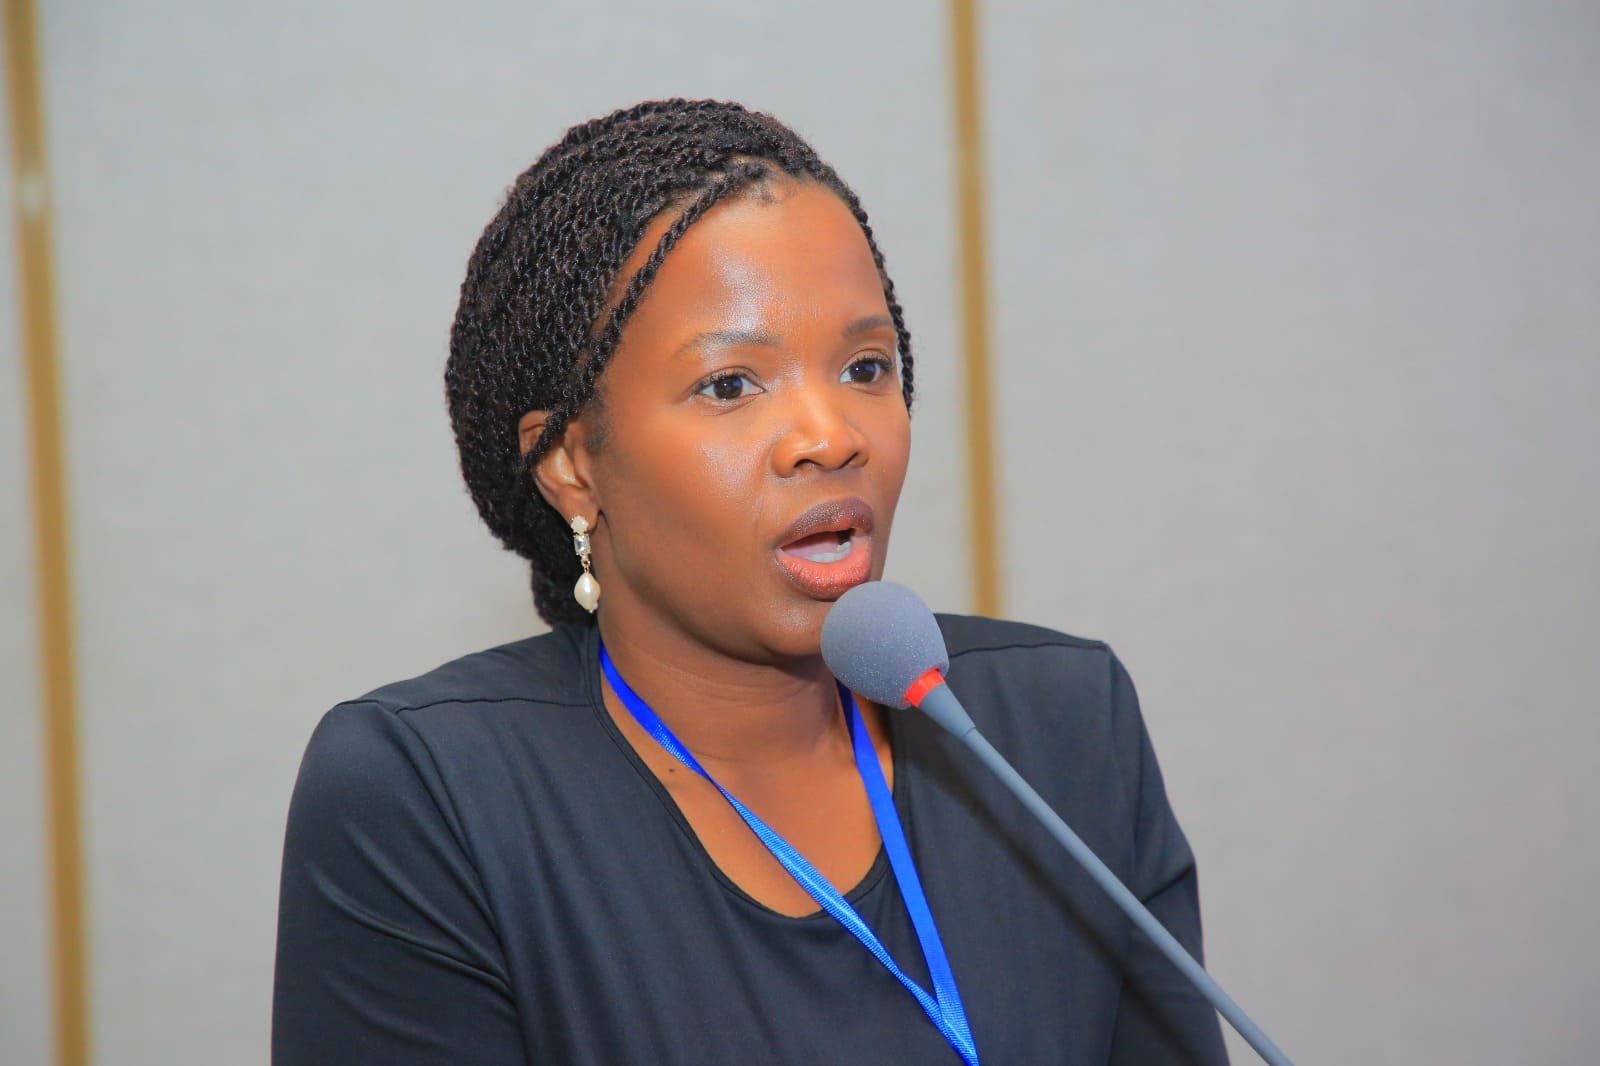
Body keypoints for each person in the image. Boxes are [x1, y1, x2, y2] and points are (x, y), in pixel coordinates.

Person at [271, 98, 1229, 1065]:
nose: (832, 436)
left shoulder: (1062, 728)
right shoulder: (430, 795)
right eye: (730, 384)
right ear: (571, 464)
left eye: (866, 368)